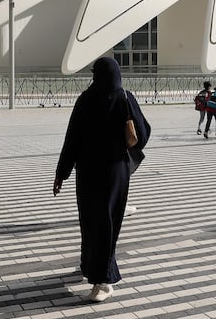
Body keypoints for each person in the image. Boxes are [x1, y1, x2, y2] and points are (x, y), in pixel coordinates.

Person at [53, 57, 150, 303]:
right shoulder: (124, 97)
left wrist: (61, 173)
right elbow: (143, 133)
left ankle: (94, 270)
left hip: (87, 171)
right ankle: (102, 280)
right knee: (108, 223)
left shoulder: (85, 100)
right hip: (115, 171)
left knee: (90, 220)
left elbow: (71, 139)